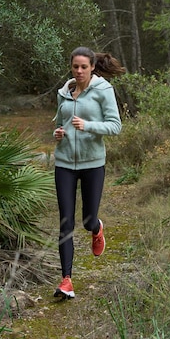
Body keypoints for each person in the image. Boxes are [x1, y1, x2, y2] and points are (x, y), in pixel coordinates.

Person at [53, 46, 125, 299]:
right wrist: (58, 134)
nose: (80, 71)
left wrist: (87, 126)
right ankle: (66, 280)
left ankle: (97, 228)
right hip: (63, 163)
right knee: (65, 222)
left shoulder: (103, 91)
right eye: (76, 67)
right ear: (71, 67)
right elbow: (58, 123)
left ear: (93, 66)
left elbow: (115, 126)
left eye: (84, 67)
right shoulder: (64, 93)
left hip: (93, 163)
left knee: (86, 220)